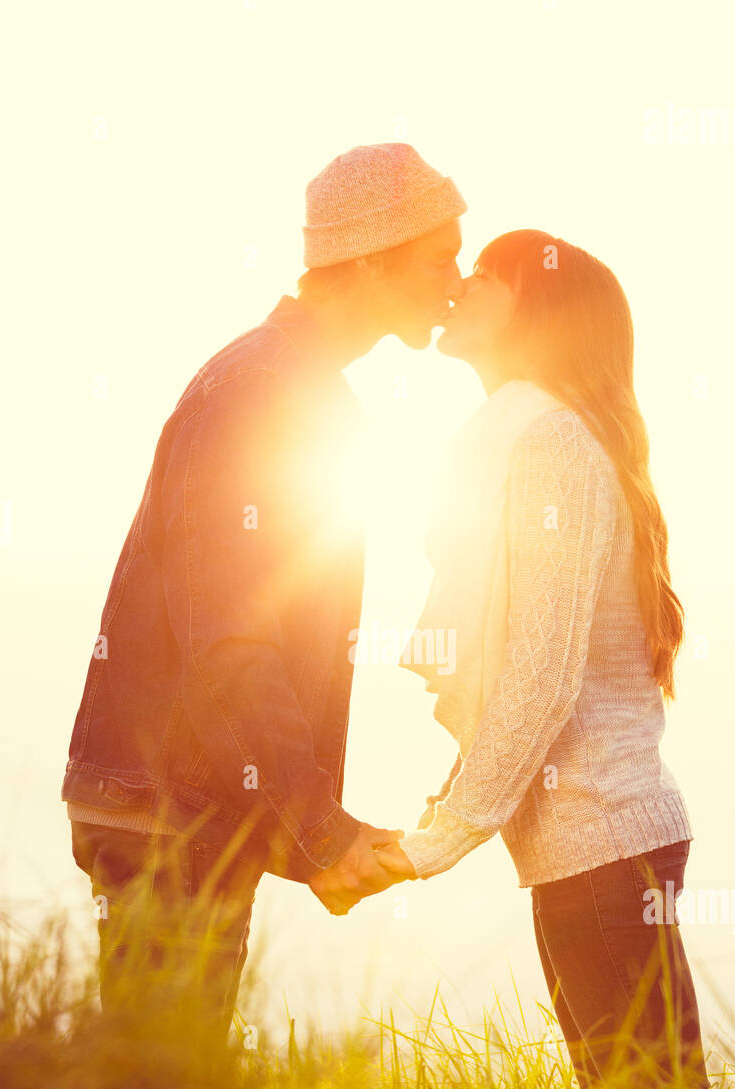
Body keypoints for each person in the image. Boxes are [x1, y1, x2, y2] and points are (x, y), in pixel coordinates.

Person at [62, 143, 463, 1043]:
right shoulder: (261, 392)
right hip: (169, 807)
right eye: (440, 259)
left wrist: (307, 827)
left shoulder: (297, 386)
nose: (456, 281)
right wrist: (320, 831)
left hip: (184, 799)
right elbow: (231, 644)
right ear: (368, 259)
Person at [376, 230, 730, 1089]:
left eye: (484, 271)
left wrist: (436, 842)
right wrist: (453, 797)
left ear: (533, 308)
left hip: (603, 841)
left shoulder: (551, 444)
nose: (459, 285)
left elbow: (541, 669)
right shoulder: (531, 435)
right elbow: (517, 673)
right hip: (588, 845)